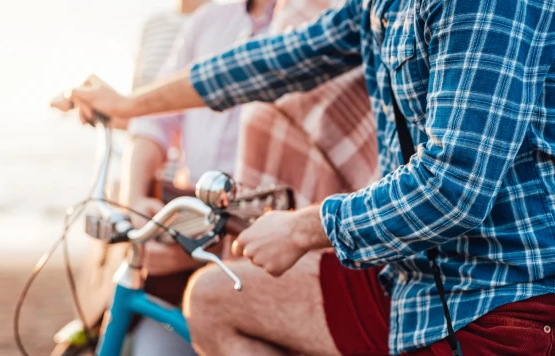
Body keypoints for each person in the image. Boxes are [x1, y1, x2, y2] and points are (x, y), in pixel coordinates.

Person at [61, 0, 555, 354]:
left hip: (502, 302)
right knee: (214, 299)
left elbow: (453, 188)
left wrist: (303, 227)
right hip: (411, 282)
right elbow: (276, 59)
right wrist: (129, 104)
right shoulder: (381, 4)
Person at [53, 1, 276, 355]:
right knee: (153, 342)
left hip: (255, 251)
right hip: (182, 222)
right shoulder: (206, 23)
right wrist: (135, 197)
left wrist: (210, 244)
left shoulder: (308, 22)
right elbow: (155, 119)